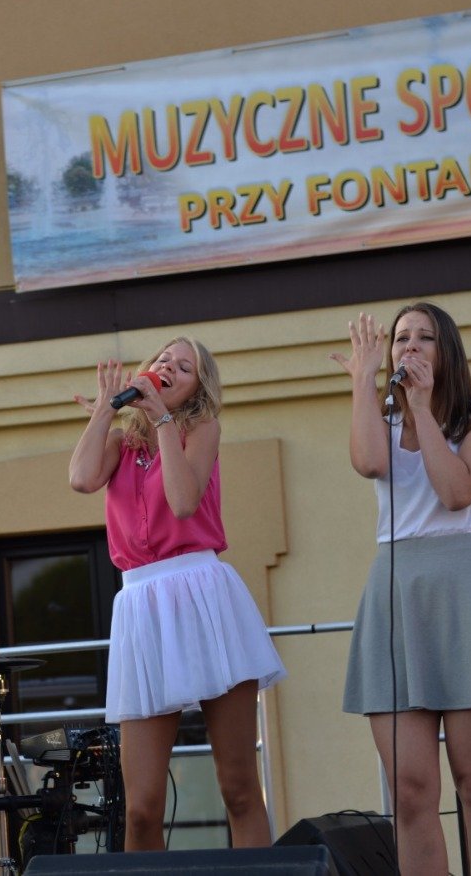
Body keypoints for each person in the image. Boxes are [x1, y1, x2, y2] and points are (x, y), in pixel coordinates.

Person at [332, 304, 471, 876]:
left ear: (446, 350)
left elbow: (455, 493)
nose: (410, 346)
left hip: (464, 586)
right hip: (397, 589)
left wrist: (425, 409)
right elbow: (367, 462)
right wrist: (362, 382)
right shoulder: (383, 418)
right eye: (401, 337)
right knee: (409, 791)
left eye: (424, 337)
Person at [69, 338, 286, 851]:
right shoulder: (121, 441)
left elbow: (184, 501)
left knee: (238, 786)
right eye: (164, 359)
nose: (169, 366)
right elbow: (80, 479)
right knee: (140, 806)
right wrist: (105, 410)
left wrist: (162, 419)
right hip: (141, 604)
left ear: (196, 389)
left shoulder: (201, 428)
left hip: (202, 594)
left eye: (184, 367)